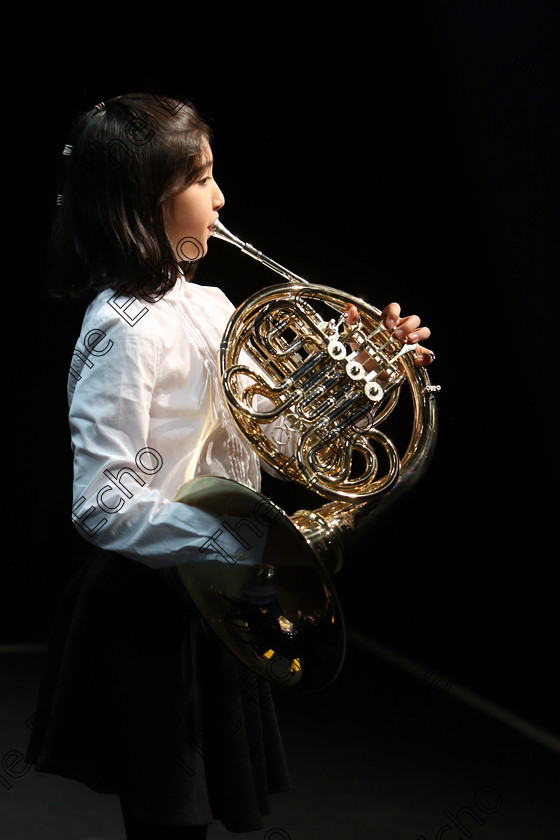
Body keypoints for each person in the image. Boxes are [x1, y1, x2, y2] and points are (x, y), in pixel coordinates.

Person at [25, 93, 434, 838]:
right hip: (150, 605)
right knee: (168, 821)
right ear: (147, 198)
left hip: (218, 594)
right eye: (202, 178)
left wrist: (365, 370)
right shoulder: (121, 329)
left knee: (194, 819)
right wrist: (240, 544)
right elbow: (102, 502)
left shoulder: (213, 306)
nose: (221, 196)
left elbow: (274, 447)